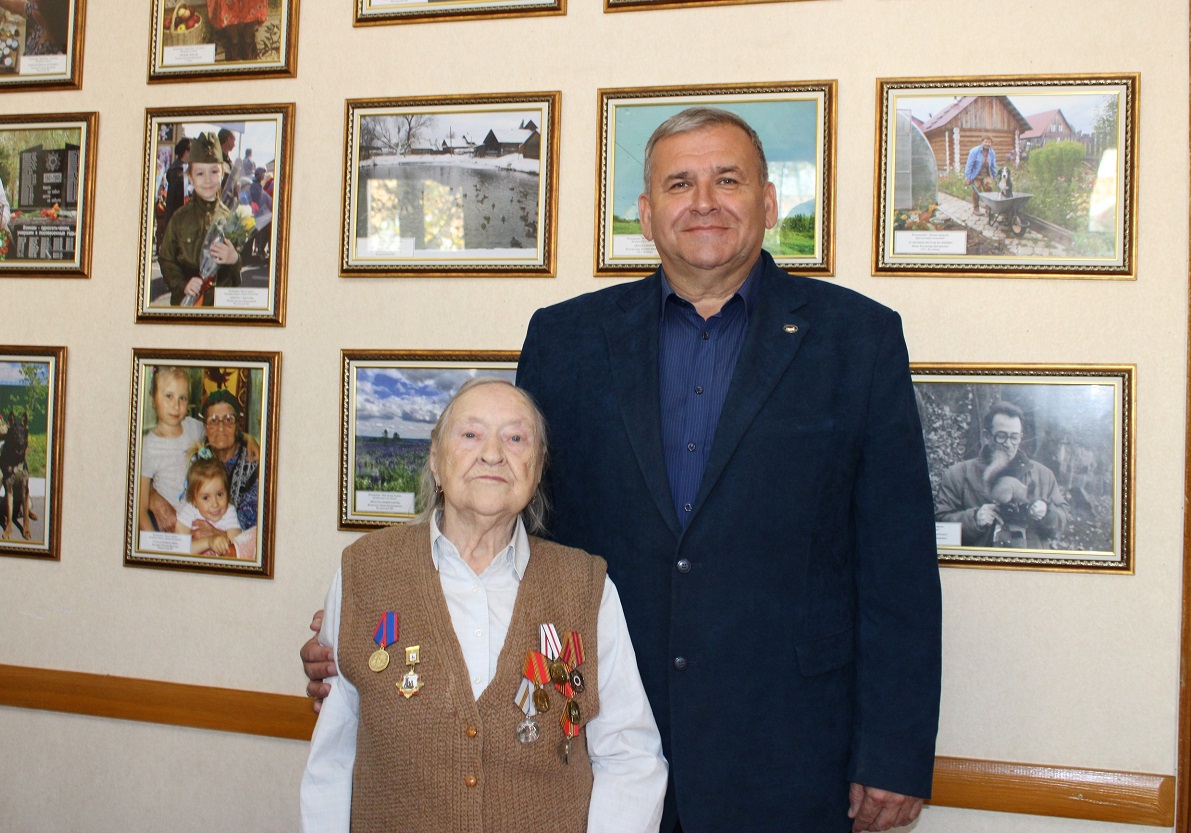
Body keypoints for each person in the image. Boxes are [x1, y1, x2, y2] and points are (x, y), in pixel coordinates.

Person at [303, 108, 941, 833]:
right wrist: (372, 624)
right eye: (678, 183)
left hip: (789, 753)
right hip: (584, 749)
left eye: (726, 179)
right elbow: (497, 501)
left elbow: (898, 562)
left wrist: (892, 749)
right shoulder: (566, 338)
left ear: (768, 200)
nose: (703, 200)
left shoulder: (857, 339)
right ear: (645, 212)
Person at [300, 377, 667, 832]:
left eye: (516, 438)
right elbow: (333, 756)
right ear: (435, 459)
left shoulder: (586, 587)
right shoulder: (364, 572)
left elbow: (630, 757)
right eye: (471, 434)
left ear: (536, 470)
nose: (493, 453)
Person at [934, 400, 1069, 549]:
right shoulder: (958, 475)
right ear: (987, 436)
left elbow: (1061, 524)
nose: (1009, 444)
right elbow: (940, 533)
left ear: (1021, 436)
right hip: (978, 567)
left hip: (1028, 567)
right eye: (1001, 436)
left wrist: (1047, 512)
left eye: (1014, 437)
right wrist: (974, 519)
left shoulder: (1044, 475)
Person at [157, 132, 242, 306]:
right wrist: (182, 285)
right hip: (186, 305)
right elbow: (166, 259)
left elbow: (237, 280)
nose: (208, 180)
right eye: (200, 173)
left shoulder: (232, 220)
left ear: (223, 173)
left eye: (214, 171)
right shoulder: (179, 219)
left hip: (220, 307)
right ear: (190, 177)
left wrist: (235, 259)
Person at [188, 389, 259, 557]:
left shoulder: (252, 462)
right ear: (205, 427)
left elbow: (251, 527)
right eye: (213, 420)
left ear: (237, 427)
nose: (220, 427)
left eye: (229, 420)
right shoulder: (198, 457)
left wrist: (216, 534)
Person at [138, 367, 204, 532]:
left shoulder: (193, 427)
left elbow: (220, 434)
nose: (176, 406)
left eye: (182, 398)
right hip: (172, 529)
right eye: (169, 396)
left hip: (202, 518)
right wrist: (153, 548)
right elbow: (140, 509)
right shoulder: (147, 447)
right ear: (153, 398)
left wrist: (247, 438)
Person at [174, 458, 241, 556]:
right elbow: (179, 546)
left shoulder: (229, 511)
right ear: (194, 500)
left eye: (219, 494)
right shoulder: (190, 510)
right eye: (206, 498)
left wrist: (222, 541)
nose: (215, 504)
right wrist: (209, 542)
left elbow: (238, 544)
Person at [160, 136, 191, 239]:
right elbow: (172, 200)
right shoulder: (176, 171)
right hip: (177, 218)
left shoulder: (184, 168)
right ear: (186, 152)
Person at [964, 135, 998, 212]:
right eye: (985, 141)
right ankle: (976, 208)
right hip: (976, 175)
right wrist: (968, 177)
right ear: (982, 142)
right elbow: (969, 165)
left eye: (989, 142)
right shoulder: (974, 151)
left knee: (989, 188)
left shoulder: (992, 153)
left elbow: (993, 166)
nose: (987, 144)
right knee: (977, 190)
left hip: (986, 174)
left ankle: (988, 207)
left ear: (991, 143)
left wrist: (995, 177)